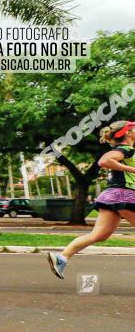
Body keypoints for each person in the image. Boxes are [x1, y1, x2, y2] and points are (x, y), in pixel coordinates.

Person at [48, 120, 135, 279]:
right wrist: (132, 169)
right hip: (124, 195)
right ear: (127, 133)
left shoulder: (126, 151)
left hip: (112, 196)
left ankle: (61, 258)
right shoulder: (126, 150)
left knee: (99, 235)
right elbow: (103, 161)